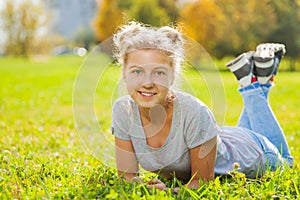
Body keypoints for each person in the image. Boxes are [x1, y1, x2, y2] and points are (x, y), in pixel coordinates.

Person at [111, 21, 293, 192]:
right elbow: (127, 177)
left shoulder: (194, 111)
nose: (148, 83)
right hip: (223, 139)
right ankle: (257, 80)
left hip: (253, 154)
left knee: (287, 163)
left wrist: (168, 192)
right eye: (137, 71)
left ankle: (252, 88)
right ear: (124, 73)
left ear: (172, 76)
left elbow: (202, 183)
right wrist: (143, 187)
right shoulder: (124, 111)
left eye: (159, 72)